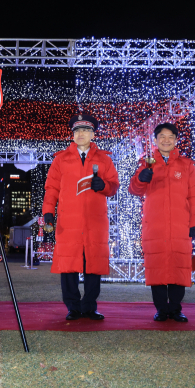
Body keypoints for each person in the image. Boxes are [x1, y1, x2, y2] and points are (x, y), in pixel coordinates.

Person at [42, 113, 119, 321]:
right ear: (73, 135)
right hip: (69, 222)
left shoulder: (104, 159)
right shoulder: (60, 160)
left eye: (85, 130)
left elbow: (114, 186)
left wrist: (104, 186)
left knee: (93, 266)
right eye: (77, 131)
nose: (81, 134)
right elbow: (51, 188)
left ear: (93, 134)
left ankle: (90, 306)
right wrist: (48, 212)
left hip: (95, 221)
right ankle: (73, 307)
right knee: (68, 267)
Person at [128, 123, 195, 322]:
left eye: (171, 136)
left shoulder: (187, 165)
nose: (166, 140)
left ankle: (176, 309)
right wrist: (141, 179)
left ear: (176, 140)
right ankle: (161, 309)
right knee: (158, 267)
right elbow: (134, 190)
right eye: (162, 136)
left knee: (179, 266)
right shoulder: (147, 163)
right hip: (155, 226)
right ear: (155, 140)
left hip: (180, 226)